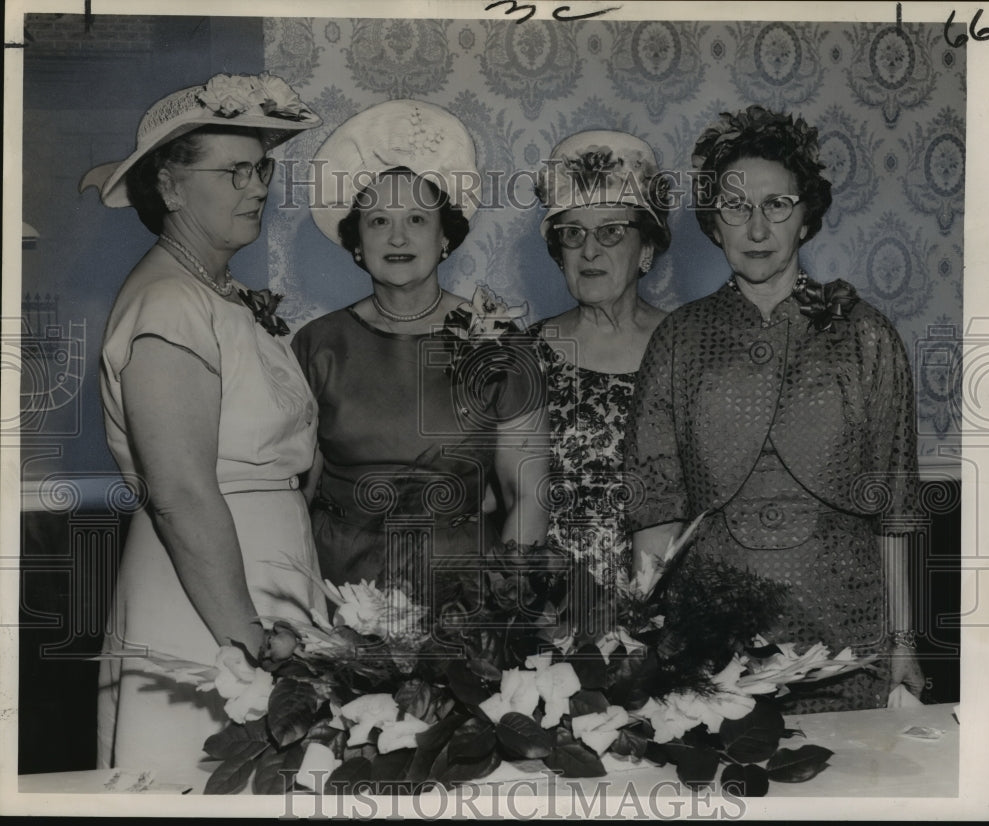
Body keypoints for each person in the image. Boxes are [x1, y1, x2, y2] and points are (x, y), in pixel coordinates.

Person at [625, 105, 924, 712]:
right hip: (715, 651)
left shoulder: (868, 336)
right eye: (736, 208)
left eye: (777, 206)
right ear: (714, 224)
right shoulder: (679, 340)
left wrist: (901, 642)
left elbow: (894, 510)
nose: (757, 230)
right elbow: (655, 514)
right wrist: (656, 649)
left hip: (846, 641)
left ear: (806, 216)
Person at [81, 72, 324, 774]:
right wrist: (246, 648)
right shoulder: (167, 307)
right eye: (236, 171)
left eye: (263, 168)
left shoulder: (215, 293)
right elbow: (183, 495)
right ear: (173, 187)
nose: (258, 188)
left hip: (262, 580)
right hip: (211, 602)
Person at [294, 99, 549, 608]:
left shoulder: (500, 341)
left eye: (416, 218)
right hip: (340, 583)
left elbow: (526, 495)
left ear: (445, 237)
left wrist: (505, 605)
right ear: (357, 244)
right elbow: (296, 495)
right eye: (378, 221)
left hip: (462, 589)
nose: (398, 237)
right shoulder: (318, 344)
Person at [528, 131, 670, 590]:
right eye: (573, 234)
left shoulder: (685, 346)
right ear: (558, 254)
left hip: (670, 598)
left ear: (645, 250)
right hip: (550, 604)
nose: (590, 251)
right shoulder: (525, 352)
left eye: (611, 232)